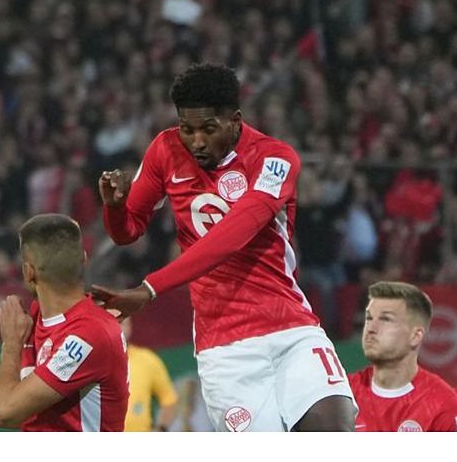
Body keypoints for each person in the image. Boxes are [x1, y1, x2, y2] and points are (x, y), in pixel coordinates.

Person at [93, 63, 356, 432]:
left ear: (234, 120)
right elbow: (127, 231)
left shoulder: (275, 158)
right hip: (225, 348)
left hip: (291, 327)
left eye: (208, 129)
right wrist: (115, 208)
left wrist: (151, 288)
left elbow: (235, 233)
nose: (196, 141)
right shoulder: (164, 151)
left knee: (333, 430)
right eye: (187, 129)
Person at [0, 214, 128, 432]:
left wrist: (11, 344)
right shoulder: (37, 316)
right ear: (84, 259)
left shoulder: (89, 334)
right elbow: (30, 408)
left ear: (28, 272)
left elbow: (7, 412)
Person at [349, 281, 457, 432]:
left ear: (415, 336)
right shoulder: (343, 395)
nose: (371, 329)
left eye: (386, 319)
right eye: (369, 318)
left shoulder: (444, 406)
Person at [121, 317, 178, 432]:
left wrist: (161, 429)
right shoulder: (94, 361)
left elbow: (169, 399)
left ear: (130, 326)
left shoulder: (147, 359)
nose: (119, 328)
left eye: (123, 323)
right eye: (115, 322)